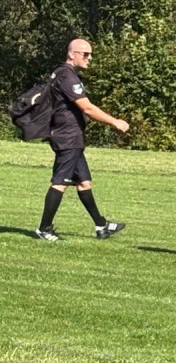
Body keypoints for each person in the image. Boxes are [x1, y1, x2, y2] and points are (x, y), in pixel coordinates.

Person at [35, 38, 129, 241]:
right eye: (85, 54)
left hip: (72, 137)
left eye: (90, 54)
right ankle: (44, 228)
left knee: (84, 183)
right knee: (59, 182)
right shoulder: (67, 76)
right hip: (67, 137)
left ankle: (102, 226)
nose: (89, 58)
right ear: (72, 54)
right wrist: (114, 122)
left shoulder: (64, 74)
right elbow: (87, 107)